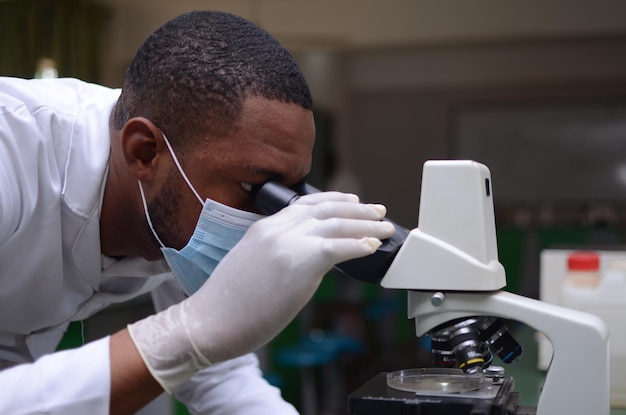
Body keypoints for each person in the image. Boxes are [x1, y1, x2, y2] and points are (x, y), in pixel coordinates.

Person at [0, 10, 394, 415]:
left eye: (287, 190)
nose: (268, 218)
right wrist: (186, 332)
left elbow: (220, 378)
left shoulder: (172, 202)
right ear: (145, 152)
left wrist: (201, 334)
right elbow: (194, 341)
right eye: (251, 186)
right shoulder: (12, 156)